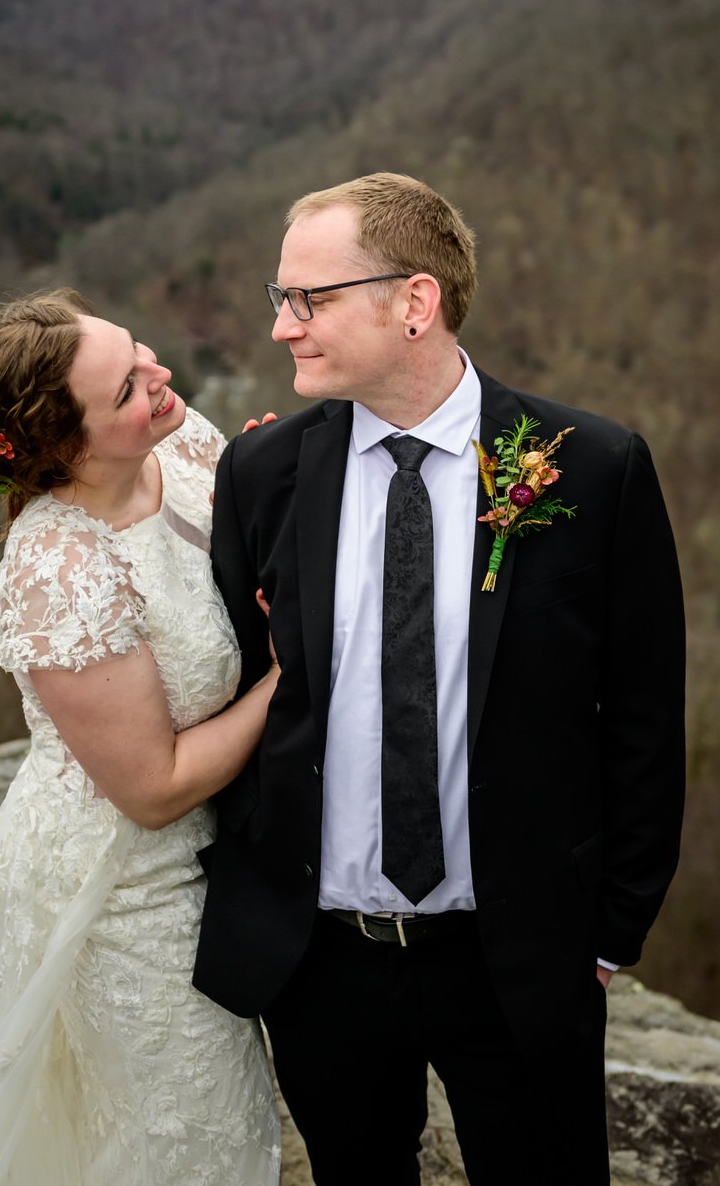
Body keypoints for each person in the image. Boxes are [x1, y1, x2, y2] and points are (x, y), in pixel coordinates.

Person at [195, 173, 686, 1184]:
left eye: (309, 299)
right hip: (321, 958)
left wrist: (608, 930)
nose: (284, 327)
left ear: (412, 303)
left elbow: (641, 714)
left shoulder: (589, 468)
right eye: (279, 298)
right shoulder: (261, 474)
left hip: (514, 957)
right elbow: (248, 689)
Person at [0, 289, 281, 1186]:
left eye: (140, 352)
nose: (159, 377)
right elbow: (151, 788)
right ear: (65, 447)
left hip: (216, 855)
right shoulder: (55, 568)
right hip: (119, 887)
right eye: (125, 390)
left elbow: (246, 574)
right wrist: (289, 680)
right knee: (176, 1134)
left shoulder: (180, 441)